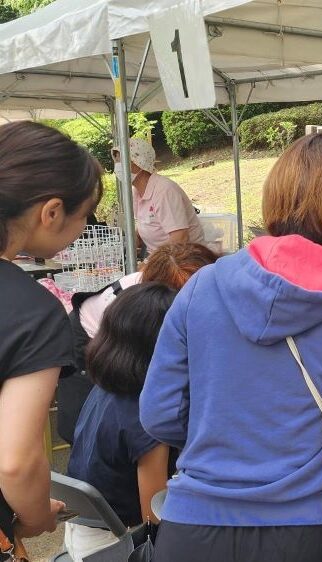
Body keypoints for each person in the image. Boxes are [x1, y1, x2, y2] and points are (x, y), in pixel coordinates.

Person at [140, 133, 322, 561]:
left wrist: (225, 432)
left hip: (193, 525)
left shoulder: (203, 286)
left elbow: (158, 413)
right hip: (306, 532)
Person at [0, 121, 102, 555]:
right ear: (52, 211)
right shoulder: (31, 311)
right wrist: (38, 514)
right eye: (86, 216)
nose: (84, 228)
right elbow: (17, 462)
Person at [57, 243, 219, 444]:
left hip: (121, 346)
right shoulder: (140, 306)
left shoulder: (163, 289)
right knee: (94, 429)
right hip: (92, 344)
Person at [64, 283, 176, 561]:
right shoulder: (149, 415)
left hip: (81, 530)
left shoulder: (105, 386)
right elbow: (155, 514)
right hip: (117, 544)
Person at [112, 138, 205, 255]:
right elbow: (148, 224)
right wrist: (132, 243)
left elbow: (180, 237)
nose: (117, 166)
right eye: (116, 161)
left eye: (121, 161)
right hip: (161, 259)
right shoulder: (135, 192)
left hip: (186, 261)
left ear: (137, 162)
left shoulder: (164, 190)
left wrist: (149, 264)